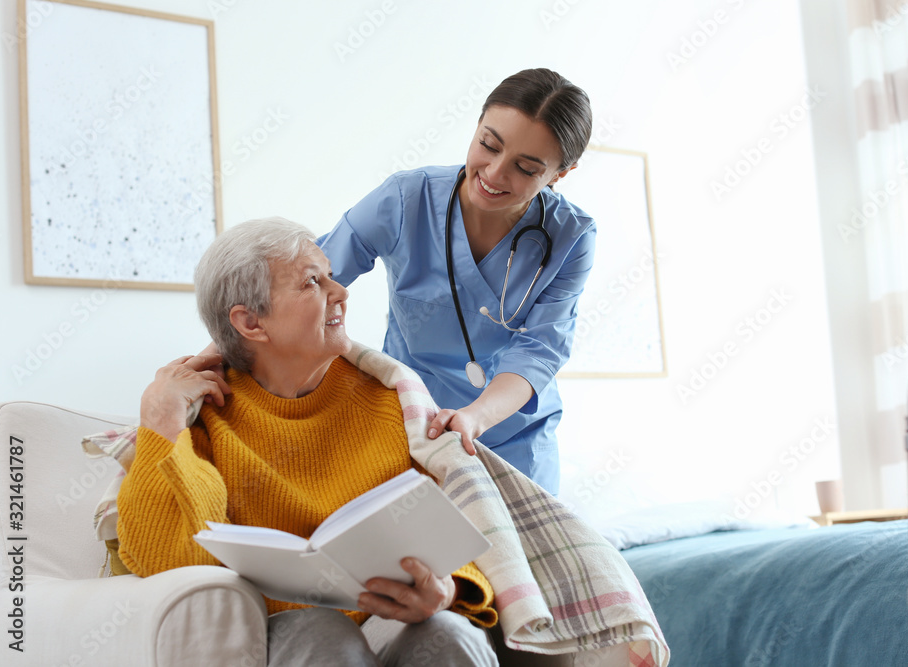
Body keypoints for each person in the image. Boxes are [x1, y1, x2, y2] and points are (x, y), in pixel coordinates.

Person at [116, 217, 498, 667]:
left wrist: (447, 587)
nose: (341, 293)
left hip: (393, 617)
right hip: (288, 631)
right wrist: (160, 418)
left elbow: (456, 528)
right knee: (323, 630)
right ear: (250, 321)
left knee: (449, 632)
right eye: (313, 282)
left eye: (330, 276)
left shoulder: (390, 399)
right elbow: (161, 558)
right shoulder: (207, 415)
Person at [318, 68, 596, 494]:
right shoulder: (406, 200)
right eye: (489, 144)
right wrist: (226, 351)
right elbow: (309, 282)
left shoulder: (570, 237)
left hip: (514, 433)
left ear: (561, 173)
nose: (495, 173)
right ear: (478, 125)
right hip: (413, 421)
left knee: (522, 557)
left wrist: (477, 416)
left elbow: (540, 349)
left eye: (526, 167)